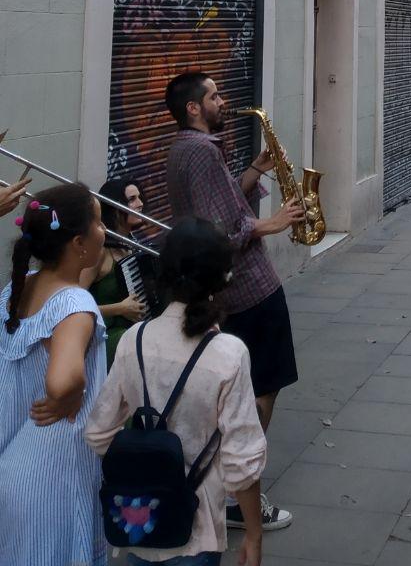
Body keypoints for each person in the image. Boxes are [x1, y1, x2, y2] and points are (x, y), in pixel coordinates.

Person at [165, 71, 302, 532]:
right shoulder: (203, 151)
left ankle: (224, 483)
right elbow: (221, 230)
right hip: (249, 287)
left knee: (247, 387)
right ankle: (235, 490)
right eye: (214, 96)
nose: (223, 101)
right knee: (261, 388)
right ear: (193, 108)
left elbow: (217, 208)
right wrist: (272, 223)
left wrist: (256, 170)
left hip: (230, 288)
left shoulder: (183, 148)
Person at [86, 217, 267, 566]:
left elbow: (98, 433)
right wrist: (254, 534)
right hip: (197, 528)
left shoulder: (133, 340)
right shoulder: (228, 354)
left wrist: (143, 461)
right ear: (221, 279)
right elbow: (242, 461)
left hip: (138, 525)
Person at [0, 182, 108, 566]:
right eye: (99, 222)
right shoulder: (74, 305)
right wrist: (74, 391)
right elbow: (62, 380)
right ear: (78, 243)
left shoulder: (17, 289)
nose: (104, 230)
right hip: (52, 478)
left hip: (15, 467)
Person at [88, 178, 147, 367]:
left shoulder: (131, 242)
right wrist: (120, 308)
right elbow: (71, 306)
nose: (140, 203)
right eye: (132, 199)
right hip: (105, 337)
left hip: (130, 332)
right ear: (114, 208)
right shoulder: (100, 251)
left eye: (139, 197)